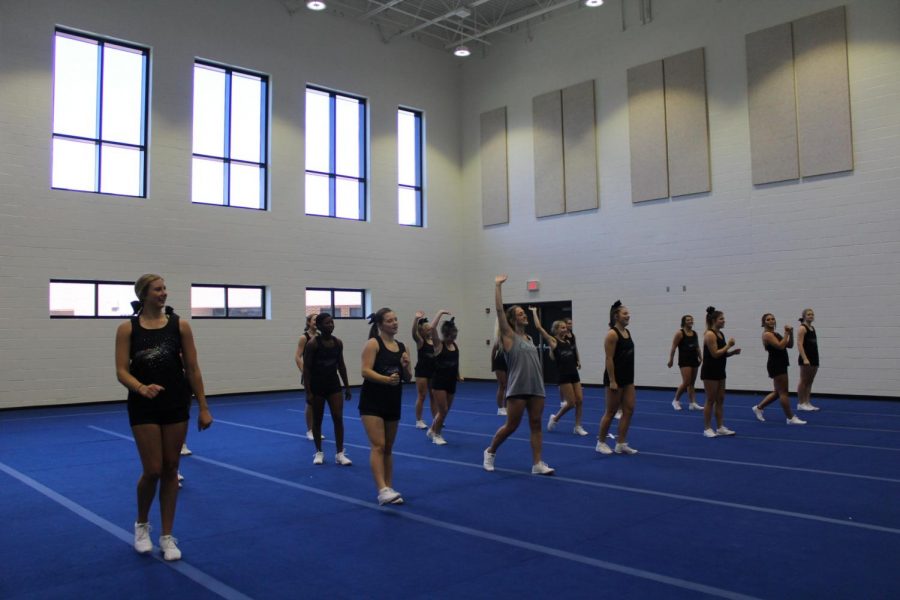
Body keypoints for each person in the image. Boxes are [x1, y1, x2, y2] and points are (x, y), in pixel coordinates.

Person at [115, 274, 213, 561]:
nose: (164, 293)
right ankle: (142, 524)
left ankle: (167, 536)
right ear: (144, 294)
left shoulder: (179, 325)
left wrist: (204, 406)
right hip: (143, 404)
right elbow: (121, 370)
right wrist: (140, 388)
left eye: (165, 289)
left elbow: (193, 369)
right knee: (153, 470)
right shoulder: (127, 329)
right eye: (158, 289)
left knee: (171, 467)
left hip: (175, 402)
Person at [483, 276, 554, 475]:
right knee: (512, 425)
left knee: (536, 423)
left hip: (536, 387)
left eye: (524, 313)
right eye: (521, 314)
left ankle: (537, 463)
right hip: (518, 387)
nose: (525, 316)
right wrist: (497, 286)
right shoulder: (508, 336)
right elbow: (498, 310)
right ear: (513, 319)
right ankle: (490, 451)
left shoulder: (530, 338)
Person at [359, 308, 412, 505]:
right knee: (378, 445)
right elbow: (365, 371)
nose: (395, 323)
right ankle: (381, 490)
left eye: (396, 319)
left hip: (393, 401)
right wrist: (385, 379)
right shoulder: (373, 344)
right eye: (390, 321)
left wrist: (406, 366)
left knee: (389, 447)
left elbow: (408, 378)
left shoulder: (402, 346)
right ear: (380, 324)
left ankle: (389, 488)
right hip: (372, 402)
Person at [303, 313, 353, 465]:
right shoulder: (313, 344)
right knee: (317, 420)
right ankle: (319, 452)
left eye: (332, 322)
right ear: (319, 326)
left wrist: (347, 386)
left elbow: (341, 365)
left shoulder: (338, 343)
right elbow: (307, 369)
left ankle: (339, 453)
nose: (330, 325)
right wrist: (308, 392)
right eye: (326, 323)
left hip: (333, 385)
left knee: (338, 418)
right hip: (317, 386)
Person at [535, 310, 587, 436]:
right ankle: (555, 418)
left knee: (580, 400)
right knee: (571, 403)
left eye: (566, 327)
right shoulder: (553, 341)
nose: (566, 329)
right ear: (557, 330)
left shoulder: (568, 341)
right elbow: (539, 328)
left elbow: (573, 353)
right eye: (563, 327)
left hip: (574, 373)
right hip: (563, 375)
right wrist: (533, 312)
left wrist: (578, 361)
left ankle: (577, 426)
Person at [595, 301, 638, 455]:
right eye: (625, 313)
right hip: (615, 379)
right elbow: (609, 359)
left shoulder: (627, 332)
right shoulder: (612, 334)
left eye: (628, 313)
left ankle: (621, 443)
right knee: (611, 411)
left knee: (629, 410)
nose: (628, 315)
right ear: (616, 316)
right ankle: (600, 442)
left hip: (628, 378)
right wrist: (612, 380)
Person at [752, 314, 807, 425]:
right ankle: (790, 418)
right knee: (783, 392)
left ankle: (759, 408)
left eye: (773, 319)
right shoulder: (767, 335)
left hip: (781, 363)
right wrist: (786, 332)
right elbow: (780, 346)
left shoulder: (775, 333)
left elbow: (789, 345)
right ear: (764, 323)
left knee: (778, 392)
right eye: (768, 320)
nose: (771, 321)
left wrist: (790, 334)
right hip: (776, 364)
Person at [700, 306, 741, 438]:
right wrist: (728, 345)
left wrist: (731, 353)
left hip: (720, 370)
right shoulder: (710, 334)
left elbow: (721, 354)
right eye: (721, 319)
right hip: (710, 371)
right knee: (710, 400)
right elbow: (715, 354)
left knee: (720, 399)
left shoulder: (720, 334)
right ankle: (707, 428)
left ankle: (720, 427)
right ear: (714, 320)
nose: (724, 321)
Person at [426, 310, 462, 445]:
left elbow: (456, 362)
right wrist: (440, 313)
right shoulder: (439, 345)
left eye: (455, 336)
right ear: (445, 335)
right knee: (443, 410)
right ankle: (437, 435)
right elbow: (432, 328)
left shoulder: (455, 345)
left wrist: (458, 375)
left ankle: (432, 429)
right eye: (451, 337)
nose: (453, 339)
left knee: (445, 412)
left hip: (451, 382)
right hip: (439, 382)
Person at [667, 315, 704, 411]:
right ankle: (675, 400)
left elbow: (697, 347)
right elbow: (673, 347)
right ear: (684, 322)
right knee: (686, 382)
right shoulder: (680, 333)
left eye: (692, 319)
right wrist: (671, 360)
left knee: (692, 383)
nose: (691, 321)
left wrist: (701, 357)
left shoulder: (694, 333)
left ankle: (692, 403)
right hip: (684, 360)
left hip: (694, 359)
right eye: (688, 320)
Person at [295, 314, 322, 441]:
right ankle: (310, 430)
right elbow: (297, 356)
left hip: (320, 373)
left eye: (318, 320)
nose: (316, 322)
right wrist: (304, 371)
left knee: (319, 403)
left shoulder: (321, 336)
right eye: (314, 320)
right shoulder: (304, 337)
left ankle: (316, 429)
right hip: (309, 373)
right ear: (309, 322)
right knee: (310, 402)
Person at [411, 311, 436, 429]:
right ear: (422, 331)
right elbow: (413, 333)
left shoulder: (434, 341)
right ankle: (419, 420)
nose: (429, 330)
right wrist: (416, 319)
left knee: (433, 396)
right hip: (422, 371)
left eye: (430, 328)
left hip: (433, 371)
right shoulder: (420, 341)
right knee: (422, 395)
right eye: (427, 329)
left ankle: (436, 418)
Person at [796, 308, 821, 412]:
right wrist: (805, 358)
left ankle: (807, 402)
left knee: (810, 381)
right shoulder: (802, 328)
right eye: (809, 314)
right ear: (804, 316)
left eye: (812, 314)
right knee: (804, 381)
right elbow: (799, 344)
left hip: (814, 357)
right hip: (806, 358)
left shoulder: (812, 328)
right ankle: (801, 403)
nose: (811, 316)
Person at [560, 317, 581, 408]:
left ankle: (571, 395)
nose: (570, 325)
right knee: (563, 381)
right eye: (568, 323)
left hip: (572, 358)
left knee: (572, 378)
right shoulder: (563, 337)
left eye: (571, 323)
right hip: (565, 360)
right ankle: (562, 399)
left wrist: (578, 360)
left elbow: (575, 348)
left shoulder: (573, 335)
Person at [491, 326, 508, 416]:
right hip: (500, 363)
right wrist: (493, 365)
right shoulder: (500, 339)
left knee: (509, 386)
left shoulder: (512, 338)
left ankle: (506, 407)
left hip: (508, 363)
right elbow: (493, 352)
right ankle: (500, 408)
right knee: (502, 385)